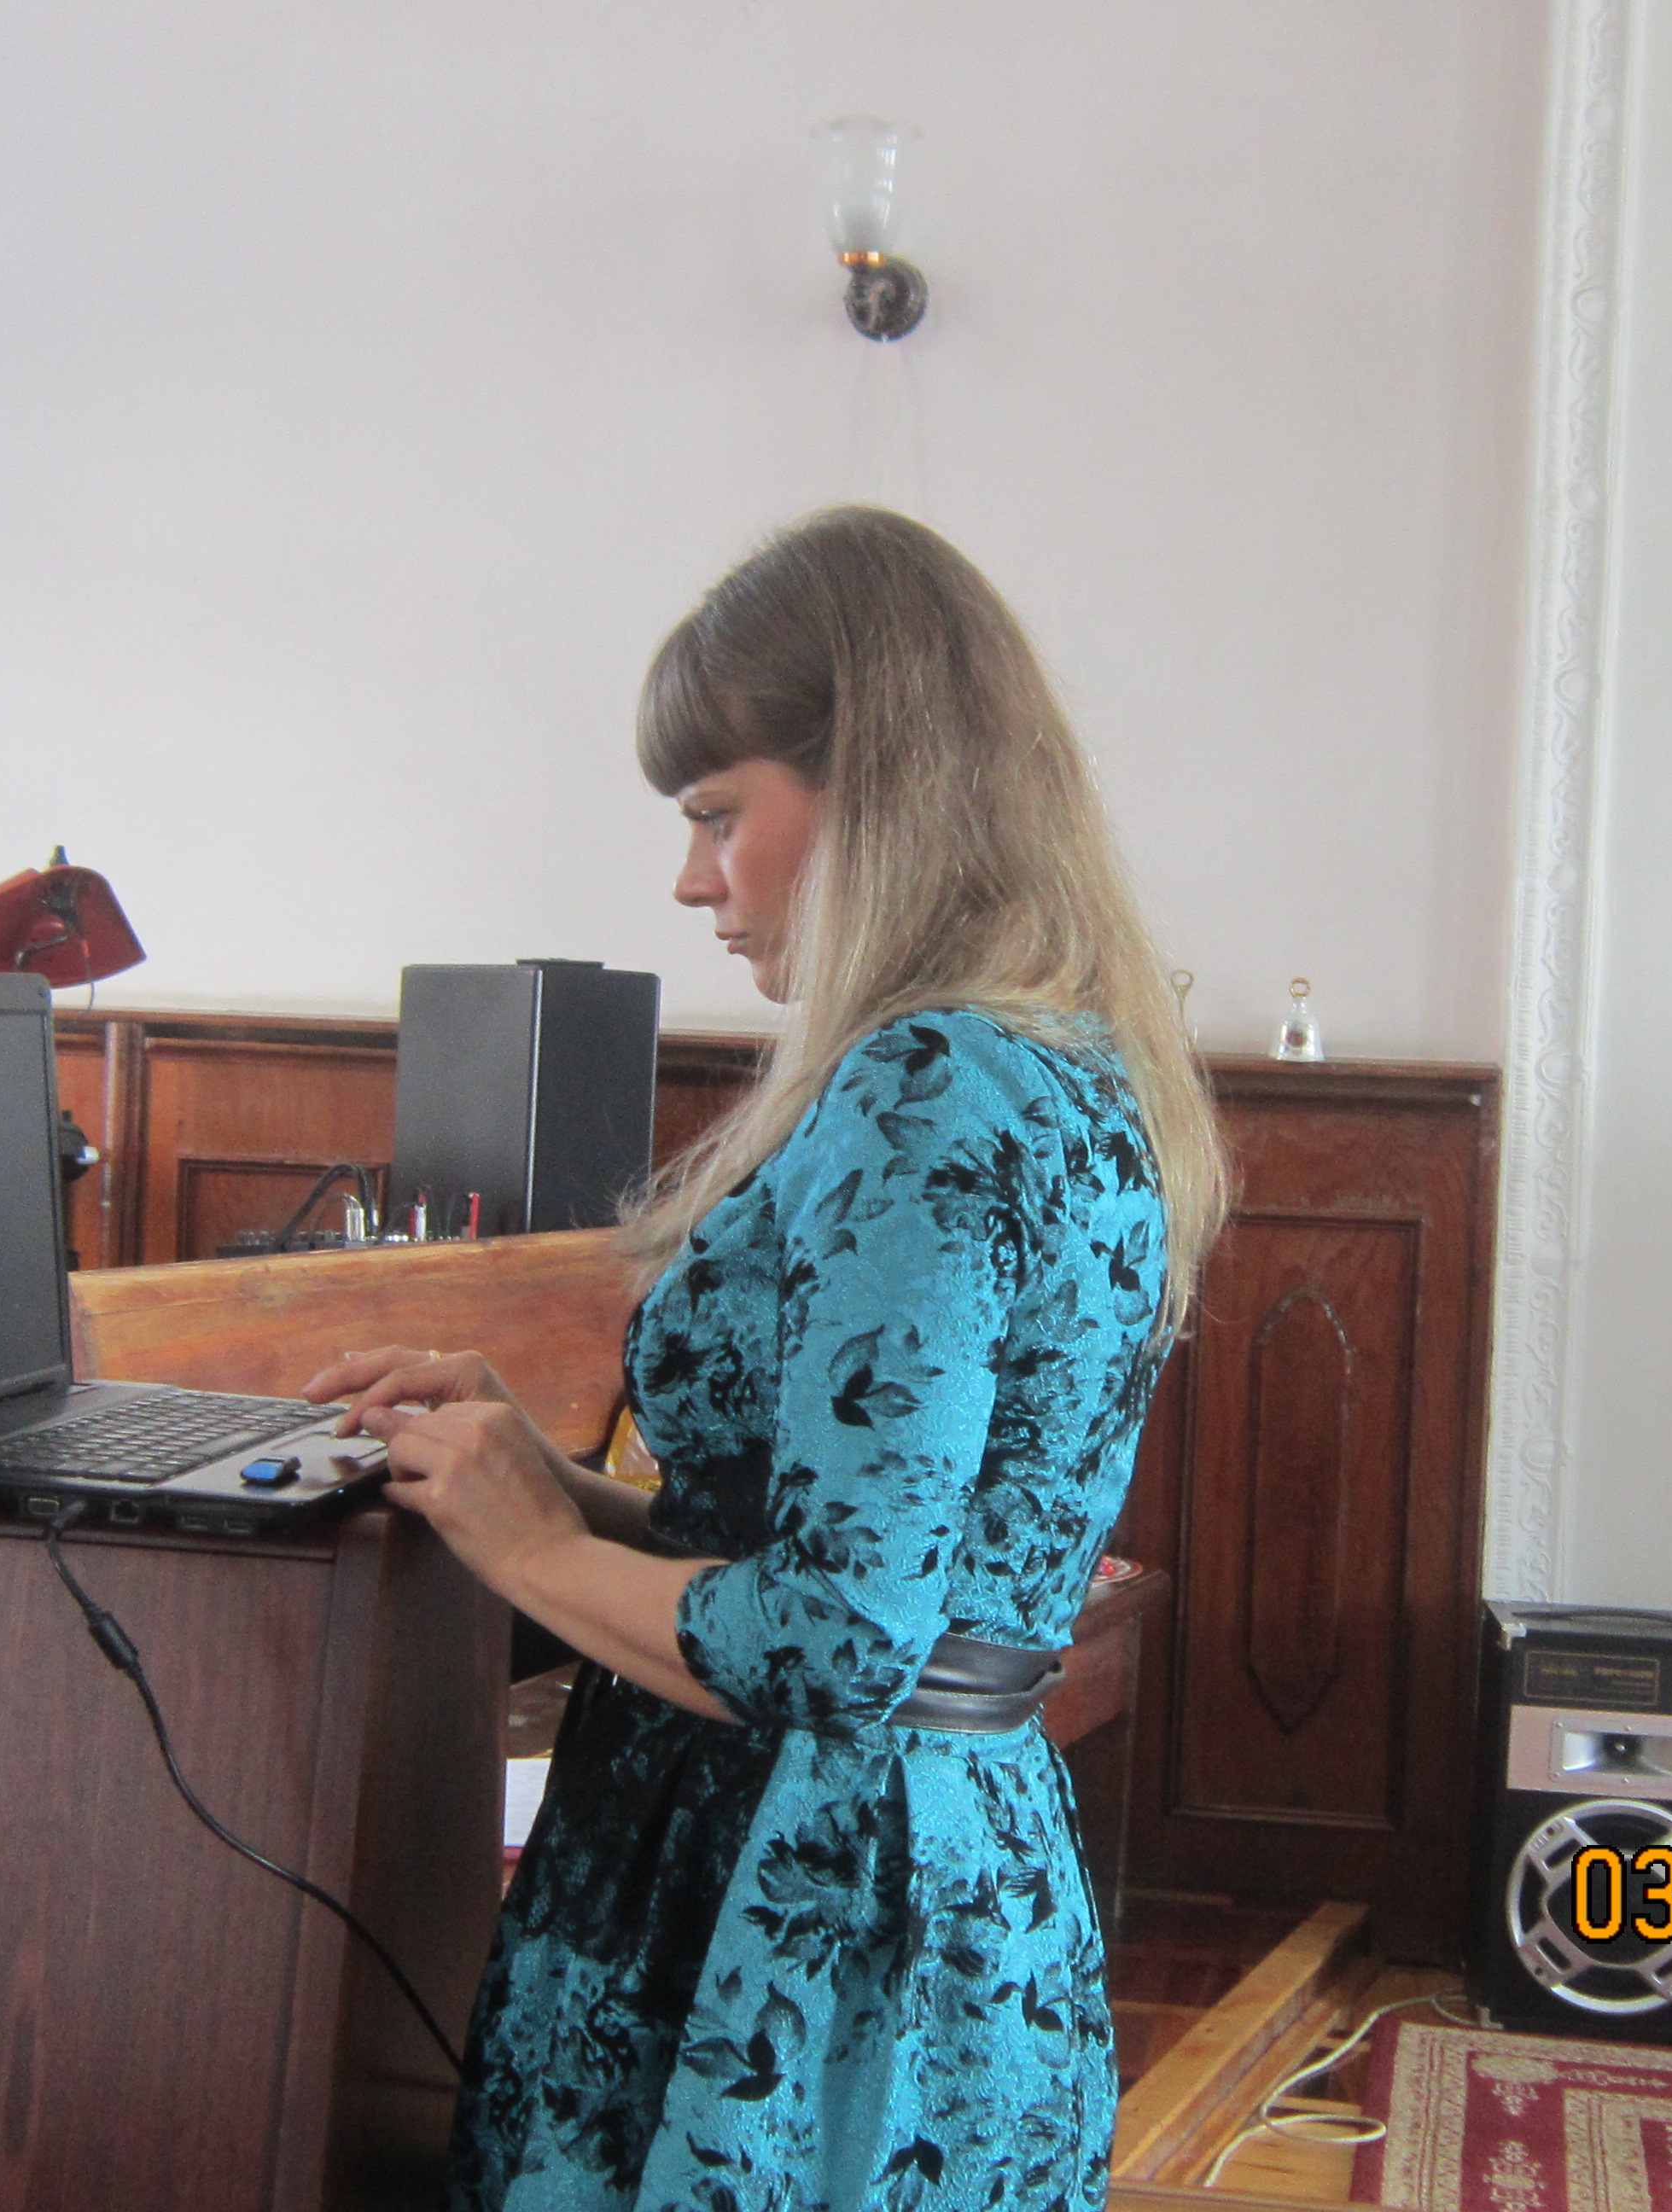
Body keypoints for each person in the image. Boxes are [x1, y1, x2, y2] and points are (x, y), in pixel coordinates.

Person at [306, 506, 1226, 2212]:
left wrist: (533, 1550)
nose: (691, 879)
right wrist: (536, 1477)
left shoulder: (927, 1087)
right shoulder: (1069, 1064)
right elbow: (853, 1564)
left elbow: (837, 1643)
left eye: (719, 813)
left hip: (802, 1899)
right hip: (954, 1870)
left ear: (877, 786)